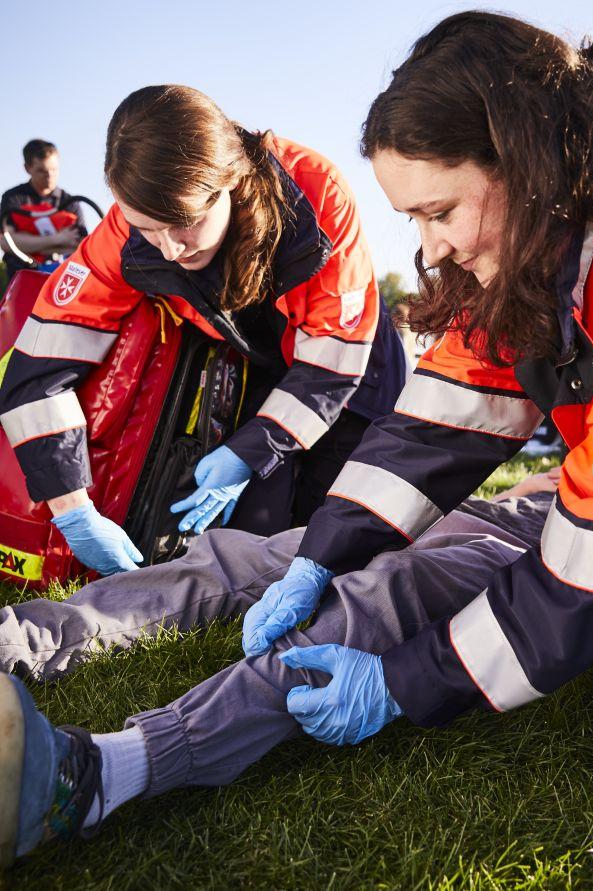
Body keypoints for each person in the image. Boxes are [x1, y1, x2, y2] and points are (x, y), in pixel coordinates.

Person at [234, 13, 593, 799]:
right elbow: (453, 406)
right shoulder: (567, 208)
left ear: (523, 159)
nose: (429, 249)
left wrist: (403, 681)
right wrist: (322, 551)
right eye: (414, 220)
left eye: (440, 212)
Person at [0, 469, 558, 864]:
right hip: (461, 514)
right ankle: (18, 640)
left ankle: (100, 775)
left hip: (526, 553)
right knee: (240, 557)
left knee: (389, 590)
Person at [0, 87, 408, 576]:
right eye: (147, 228)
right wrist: (74, 513)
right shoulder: (121, 233)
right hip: (256, 365)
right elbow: (36, 373)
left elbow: (333, 357)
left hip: (353, 367)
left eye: (184, 223)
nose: (169, 250)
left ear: (230, 183)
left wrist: (253, 450)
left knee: (347, 541)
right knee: (259, 545)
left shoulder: (316, 192)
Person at [0, 140, 87, 286]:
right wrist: (59, 238)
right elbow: (6, 243)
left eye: (54, 169)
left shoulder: (71, 203)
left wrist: (26, 241)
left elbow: (79, 246)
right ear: (28, 168)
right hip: (22, 283)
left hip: (62, 283)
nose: (50, 175)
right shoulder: (13, 198)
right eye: (42, 170)